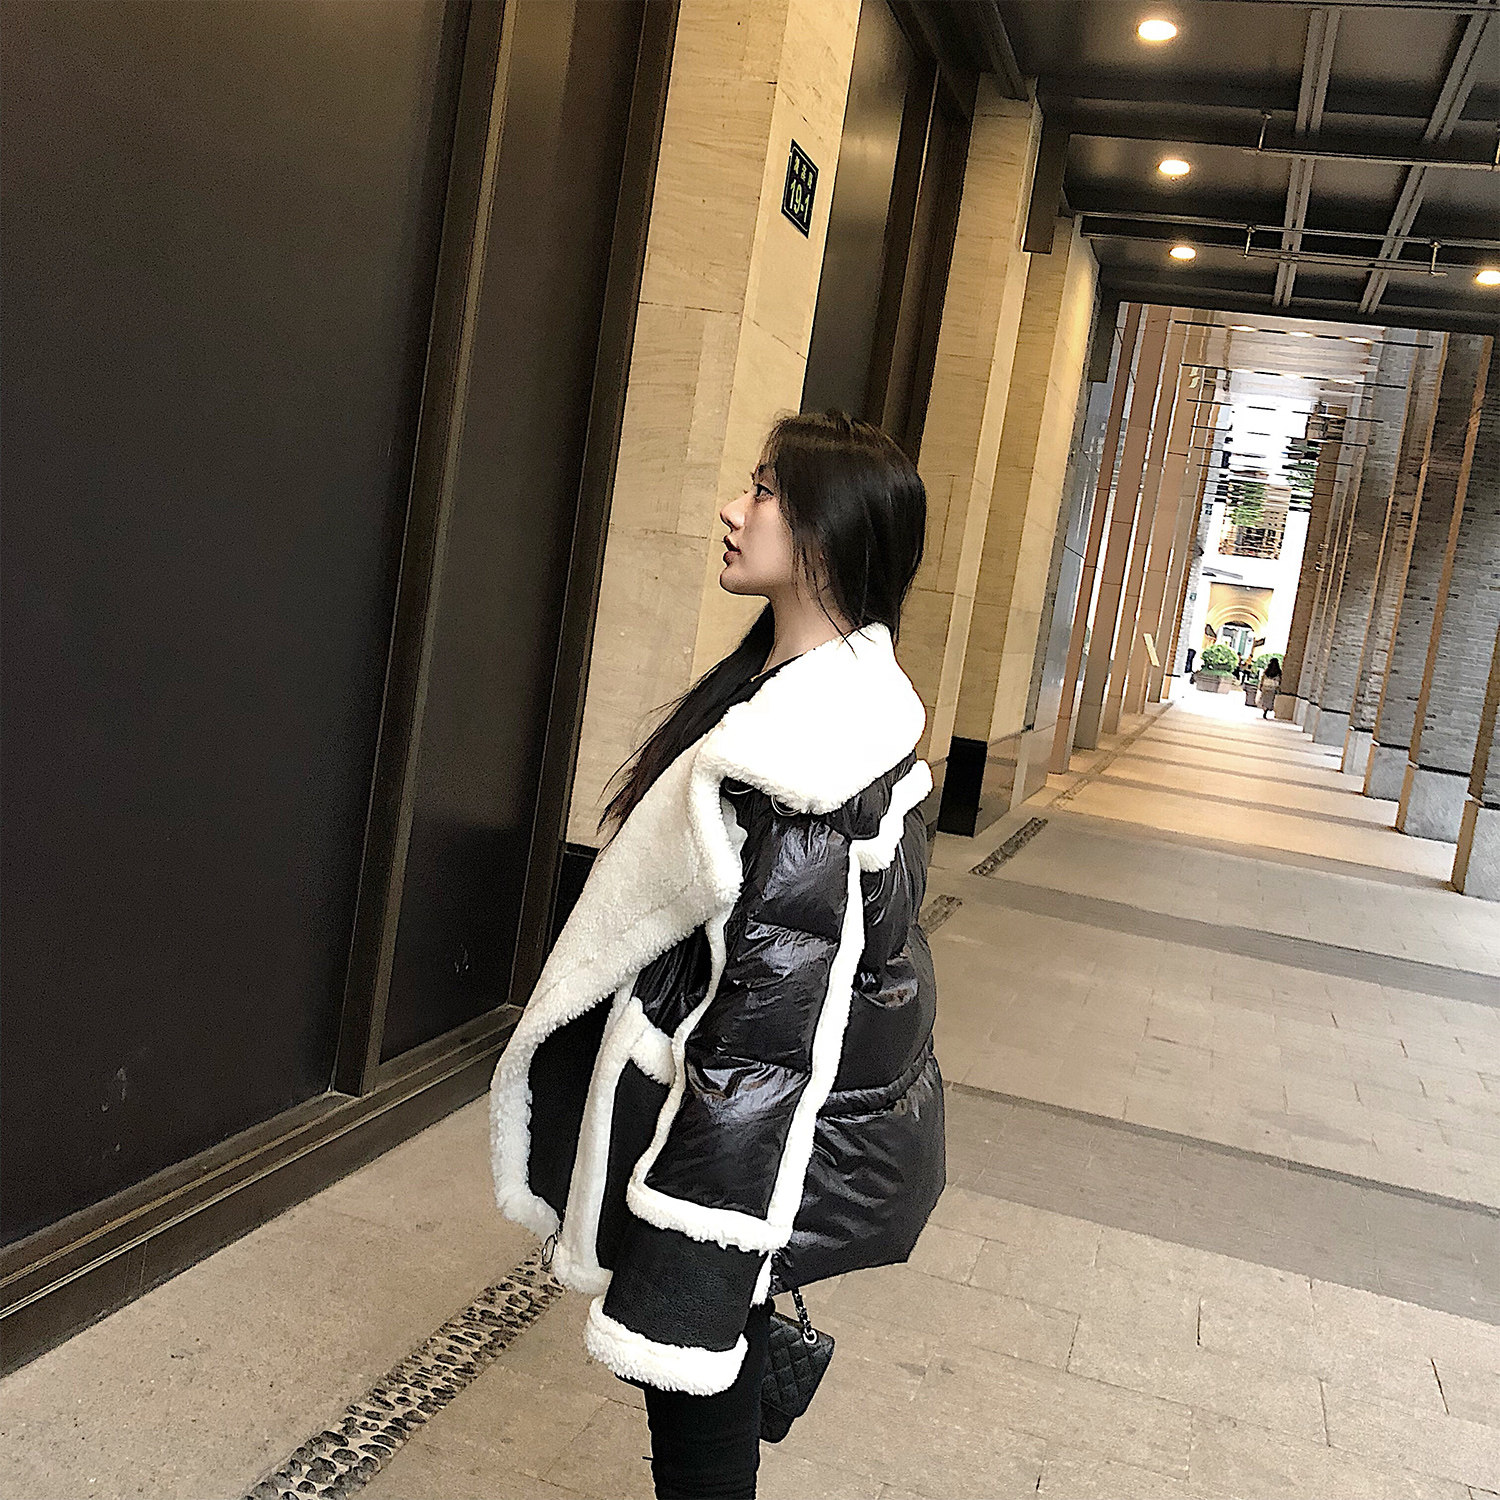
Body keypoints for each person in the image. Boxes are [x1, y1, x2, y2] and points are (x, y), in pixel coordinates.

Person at [488, 411, 944, 1500]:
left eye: (766, 491)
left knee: (697, 1389)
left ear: (831, 533)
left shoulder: (808, 753)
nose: (733, 510)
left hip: (727, 1140)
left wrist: (700, 1234)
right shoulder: (790, 702)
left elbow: (769, 1033)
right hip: (717, 1117)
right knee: (705, 1390)